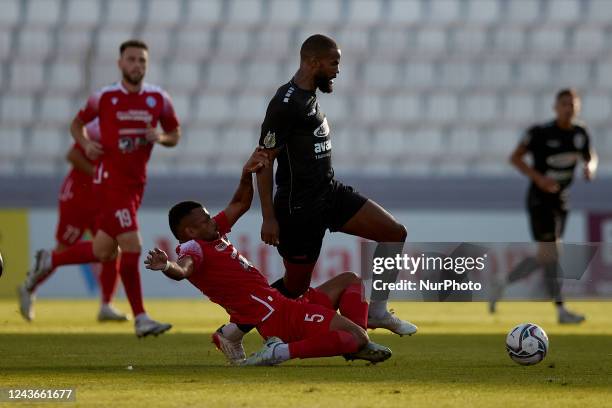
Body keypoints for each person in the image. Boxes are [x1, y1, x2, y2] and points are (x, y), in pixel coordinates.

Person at [144, 150, 392, 366]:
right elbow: (183, 270)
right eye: (206, 219)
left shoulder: (211, 233)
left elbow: (240, 203)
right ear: (190, 231)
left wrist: (246, 173)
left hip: (282, 304)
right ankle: (280, 351)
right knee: (357, 336)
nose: (213, 220)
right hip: (277, 319)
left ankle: (354, 345)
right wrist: (166, 265)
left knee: (351, 281)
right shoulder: (193, 249)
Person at [256, 34, 416, 335]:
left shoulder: (309, 96)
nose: (338, 70)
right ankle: (236, 329)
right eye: (334, 63)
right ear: (313, 62)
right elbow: (263, 161)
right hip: (299, 207)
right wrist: (268, 216)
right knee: (295, 287)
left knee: (394, 233)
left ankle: (378, 312)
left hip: (329, 193)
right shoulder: (285, 104)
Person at [24, 39, 181, 337]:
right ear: (120, 63)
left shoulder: (158, 98)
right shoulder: (105, 97)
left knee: (105, 250)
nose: (137, 65)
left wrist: (159, 137)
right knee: (132, 245)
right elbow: (76, 124)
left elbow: (175, 133)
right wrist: (86, 144)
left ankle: (51, 259)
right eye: (132, 60)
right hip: (109, 182)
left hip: (135, 185)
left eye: (142, 61)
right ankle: (141, 318)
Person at [490, 88, 598, 324]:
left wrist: (590, 167)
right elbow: (515, 157)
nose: (569, 109)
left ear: (577, 107)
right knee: (552, 252)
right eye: (564, 104)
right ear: (556, 107)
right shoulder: (540, 133)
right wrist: (538, 178)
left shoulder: (580, 133)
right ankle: (561, 310)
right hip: (540, 200)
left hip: (561, 200)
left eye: (573, 104)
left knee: (545, 256)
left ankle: (502, 283)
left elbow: (590, 156)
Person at [19, 120, 127, 322]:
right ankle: (29, 286)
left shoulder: (127, 132)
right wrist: (100, 175)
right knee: (63, 249)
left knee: (113, 249)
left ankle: (106, 305)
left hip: (100, 200)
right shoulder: (100, 127)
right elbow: (73, 155)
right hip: (78, 198)